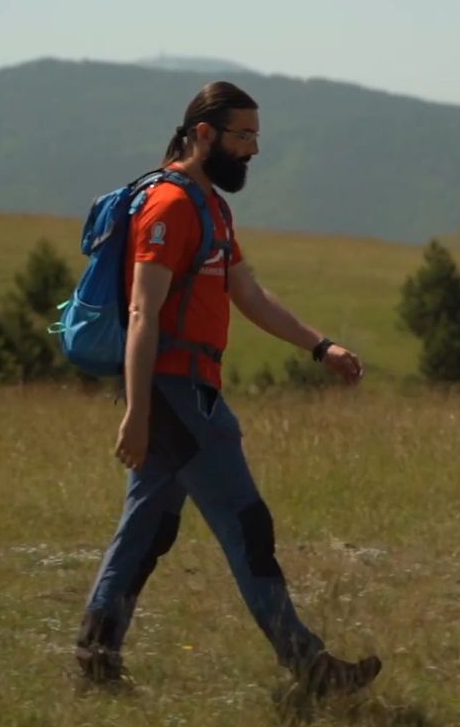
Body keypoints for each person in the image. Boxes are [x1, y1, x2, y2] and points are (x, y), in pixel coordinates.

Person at [74, 81, 381, 696]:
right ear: (204, 134)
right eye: (244, 136)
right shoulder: (169, 207)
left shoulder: (211, 207)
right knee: (247, 523)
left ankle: (95, 660)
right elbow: (142, 312)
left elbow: (248, 294)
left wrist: (320, 346)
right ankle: (309, 667)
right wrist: (136, 410)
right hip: (177, 394)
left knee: (147, 529)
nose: (254, 150)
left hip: (184, 390)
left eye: (257, 137)